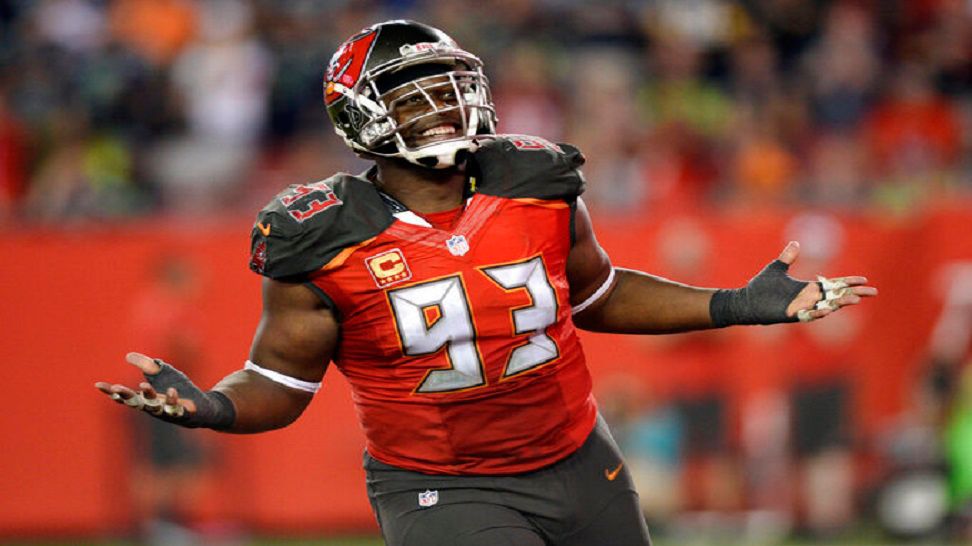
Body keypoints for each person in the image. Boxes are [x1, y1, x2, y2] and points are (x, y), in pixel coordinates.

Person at [95, 20, 877, 546]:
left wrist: (736, 303)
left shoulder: (533, 180)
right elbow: (281, 381)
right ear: (361, 116)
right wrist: (219, 407)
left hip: (578, 456)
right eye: (414, 95)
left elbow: (597, 294)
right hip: (445, 485)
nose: (444, 106)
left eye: (448, 85)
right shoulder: (322, 233)